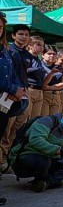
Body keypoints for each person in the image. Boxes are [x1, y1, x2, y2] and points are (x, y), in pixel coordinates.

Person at [8, 103, 63, 192]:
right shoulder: (47, 121)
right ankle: (46, 179)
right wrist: (59, 150)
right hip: (27, 157)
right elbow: (36, 141)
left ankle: (48, 182)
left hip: (51, 157)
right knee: (43, 161)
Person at [0, 14, 27, 169]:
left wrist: (17, 89)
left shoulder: (5, 50)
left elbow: (13, 74)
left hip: (5, 101)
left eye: (0, 27)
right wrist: (12, 88)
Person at [1, 25, 32, 149]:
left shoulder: (26, 53)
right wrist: (13, 90)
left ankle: (9, 159)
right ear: (13, 36)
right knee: (6, 131)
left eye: (26, 35)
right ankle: (2, 161)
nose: (24, 37)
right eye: (21, 34)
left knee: (18, 129)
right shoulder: (8, 51)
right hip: (8, 94)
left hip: (22, 92)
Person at [40, 46, 63, 116]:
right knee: (43, 118)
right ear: (43, 55)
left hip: (57, 95)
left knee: (54, 120)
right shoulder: (39, 65)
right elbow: (43, 83)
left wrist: (49, 88)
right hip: (44, 96)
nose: (52, 56)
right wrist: (52, 73)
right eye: (49, 54)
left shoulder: (59, 67)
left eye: (54, 54)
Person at [26, 36, 46, 119]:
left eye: (42, 46)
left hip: (39, 90)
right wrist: (37, 69)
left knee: (35, 118)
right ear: (30, 45)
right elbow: (24, 70)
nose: (41, 47)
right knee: (24, 117)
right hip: (29, 88)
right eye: (38, 45)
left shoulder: (38, 59)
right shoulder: (26, 57)